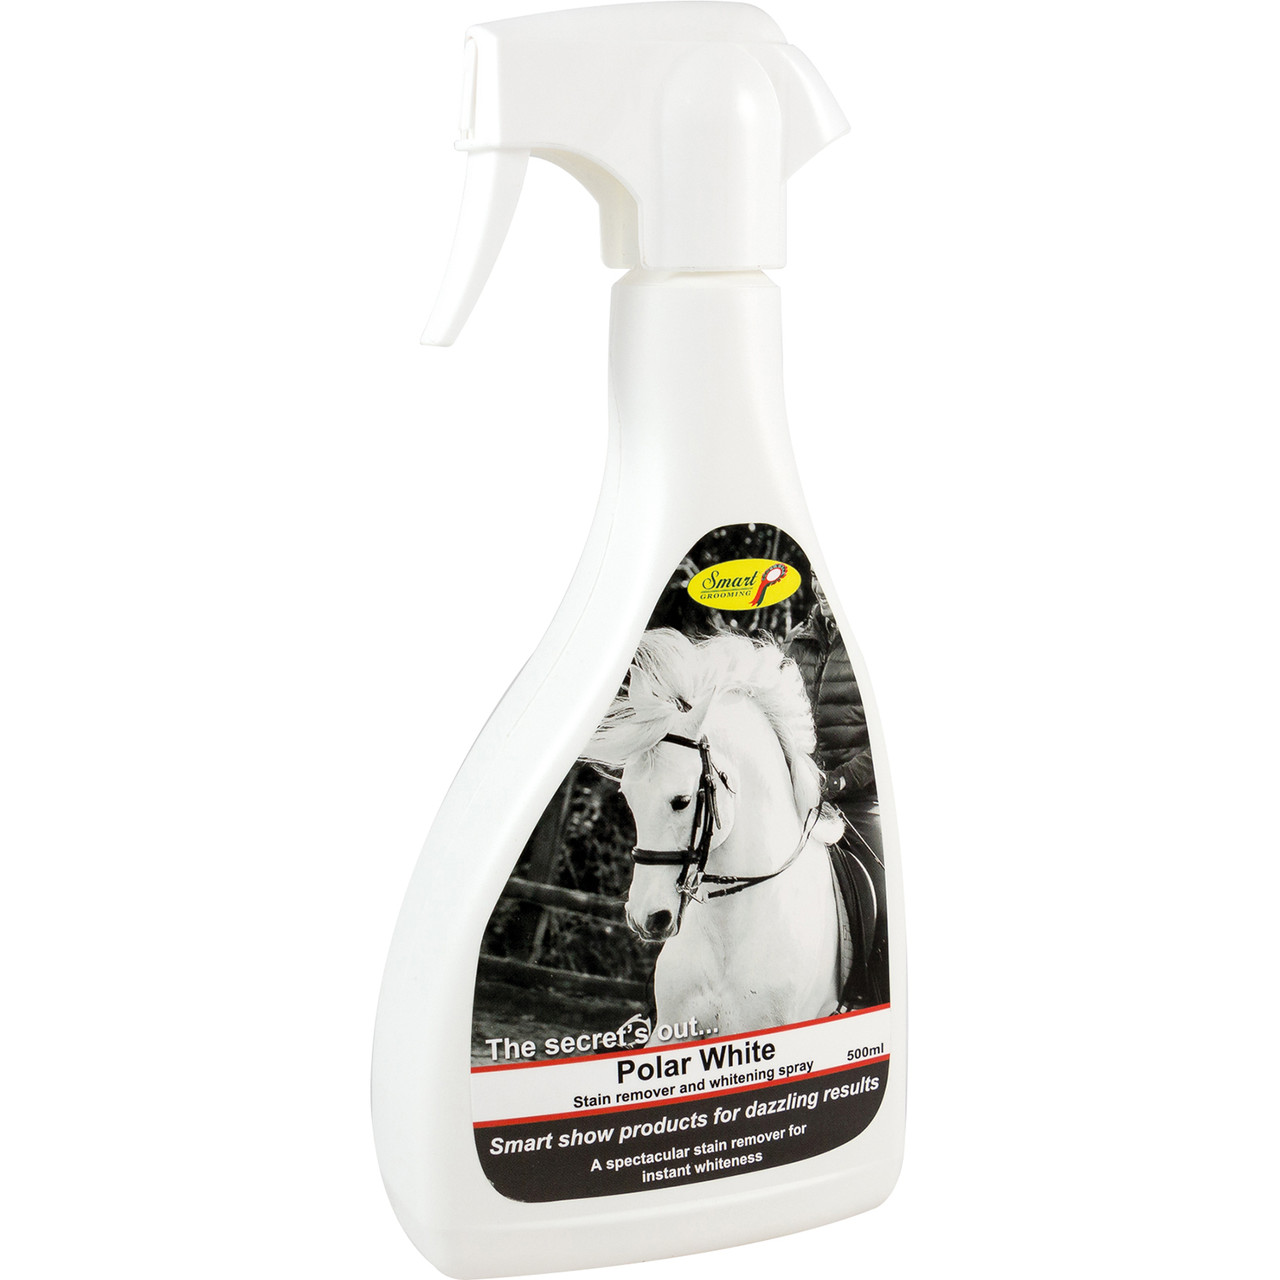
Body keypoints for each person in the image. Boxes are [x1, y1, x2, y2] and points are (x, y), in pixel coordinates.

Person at [786, 583, 888, 1005]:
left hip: (858, 798)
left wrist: (841, 780)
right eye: (815, 575)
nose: (821, 585)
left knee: (884, 890)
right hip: (802, 792)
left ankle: (876, 995)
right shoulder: (796, 642)